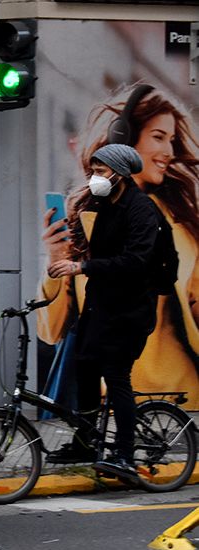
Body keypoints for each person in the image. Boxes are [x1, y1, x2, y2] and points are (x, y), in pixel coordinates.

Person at [39, 84, 199, 409]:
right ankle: (91, 446)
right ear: (124, 140)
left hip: (173, 395)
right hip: (101, 387)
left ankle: (121, 454)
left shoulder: (179, 223)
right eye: (158, 136)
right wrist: (55, 261)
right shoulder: (83, 219)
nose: (169, 150)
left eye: (171, 139)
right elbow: (51, 331)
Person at [45, 144, 162, 484]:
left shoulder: (141, 209)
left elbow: (136, 261)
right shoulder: (105, 205)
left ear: (121, 174)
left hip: (128, 314)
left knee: (116, 378)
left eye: (101, 170)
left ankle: (124, 455)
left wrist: (81, 266)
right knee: (83, 371)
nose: (95, 177)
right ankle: (84, 444)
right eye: (93, 170)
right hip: (99, 309)